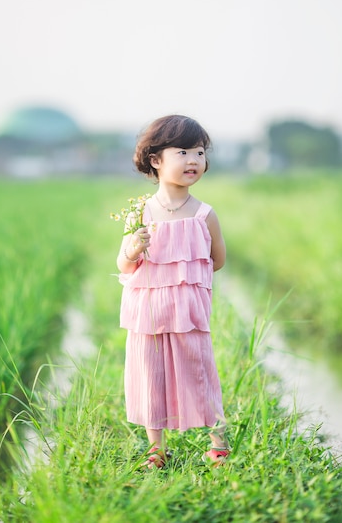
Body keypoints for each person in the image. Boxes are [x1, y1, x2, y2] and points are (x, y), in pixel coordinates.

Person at [116, 114, 229, 469]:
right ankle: (156, 450)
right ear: (156, 160)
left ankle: (219, 444)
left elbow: (218, 260)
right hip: (147, 312)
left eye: (199, 152)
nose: (193, 160)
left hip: (188, 312)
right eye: (182, 152)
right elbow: (123, 263)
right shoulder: (141, 212)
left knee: (199, 371)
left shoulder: (204, 214)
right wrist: (133, 249)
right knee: (149, 376)